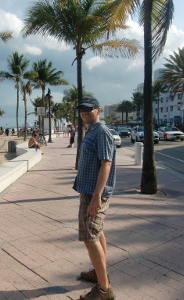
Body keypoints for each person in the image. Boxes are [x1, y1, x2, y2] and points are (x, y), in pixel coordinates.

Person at [73, 97, 116, 300]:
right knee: (97, 233)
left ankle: (104, 290)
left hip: (94, 194)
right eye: (81, 109)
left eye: (88, 109)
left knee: (89, 237)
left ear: (98, 110)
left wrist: (97, 196)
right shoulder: (91, 131)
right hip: (88, 192)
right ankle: (99, 273)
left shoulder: (102, 132)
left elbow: (106, 164)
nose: (84, 112)